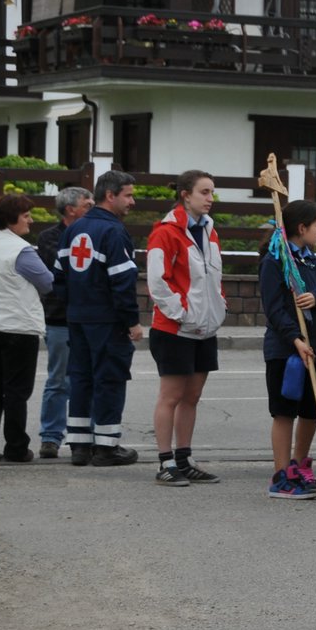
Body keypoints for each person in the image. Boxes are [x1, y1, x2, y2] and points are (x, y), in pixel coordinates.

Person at [54, 170, 141, 467]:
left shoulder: (73, 229)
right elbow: (122, 282)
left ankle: (79, 445)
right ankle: (106, 447)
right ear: (110, 195)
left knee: (80, 378)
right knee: (110, 379)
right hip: (107, 321)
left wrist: (76, 306)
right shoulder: (114, 232)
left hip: (77, 318)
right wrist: (132, 321)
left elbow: (59, 278)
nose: (133, 201)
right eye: (128, 195)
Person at [146, 170, 226, 487]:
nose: (210, 199)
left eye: (212, 192)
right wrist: (181, 314)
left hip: (204, 329)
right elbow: (156, 281)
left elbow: (212, 279)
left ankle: (183, 457)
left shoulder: (210, 231)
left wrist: (218, 306)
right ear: (185, 195)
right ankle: (165, 461)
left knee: (192, 396)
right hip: (174, 329)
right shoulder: (165, 233)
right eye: (204, 192)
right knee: (171, 396)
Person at [260, 199, 316, 500]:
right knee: (284, 411)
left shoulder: (312, 260)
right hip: (286, 348)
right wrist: (295, 339)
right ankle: (281, 476)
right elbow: (274, 310)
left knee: (311, 409)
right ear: (301, 228)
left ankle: (299, 464)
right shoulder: (275, 260)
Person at [0, 194, 54, 463]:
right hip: (18, 326)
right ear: (11, 218)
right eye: (26, 215)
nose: (31, 220)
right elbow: (47, 282)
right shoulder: (21, 250)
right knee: (17, 391)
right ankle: (16, 447)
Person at [35, 186, 92, 459]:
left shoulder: (95, 233)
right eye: (87, 204)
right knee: (58, 380)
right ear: (70, 209)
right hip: (59, 318)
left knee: (88, 378)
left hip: (90, 317)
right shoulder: (48, 238)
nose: (92, 207)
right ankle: (50, 436)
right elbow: (60, 271)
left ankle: (86, 435)